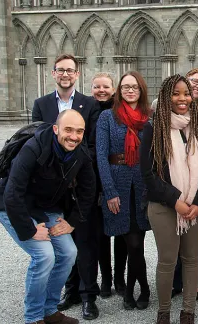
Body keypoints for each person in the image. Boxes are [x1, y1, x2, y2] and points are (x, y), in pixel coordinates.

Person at [0, 109, 96, 324]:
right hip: (11, 205)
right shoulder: (33, 148)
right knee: (44, 256)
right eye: (68, 130)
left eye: (79, 131)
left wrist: (73, 222)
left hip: (44, 207)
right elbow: (12, 194)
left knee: (68, 252)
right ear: (56, 129)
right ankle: (33, 317)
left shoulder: (80, 152)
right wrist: (30, 230)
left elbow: (89, 189)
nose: (74, 136)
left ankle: (49, 311)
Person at [35, 54, 101, 320]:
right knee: (62, 240)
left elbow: (93, 144)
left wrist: (75, 169)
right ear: (53, 74)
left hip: (79, 183)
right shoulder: (41, 104)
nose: (65, 74)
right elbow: (37, 140)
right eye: (60, 70)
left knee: (84, 243)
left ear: (77, 74)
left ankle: (88, 297)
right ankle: (70, 290)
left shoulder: (90, 104)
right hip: (53, 188)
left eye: (70, 71)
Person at [141, 74, 198, 324]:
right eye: (176, 93)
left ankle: (188, 312)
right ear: (165, 96)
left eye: (186, 93)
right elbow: (148, 174)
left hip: (194, 207)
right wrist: (176, 201)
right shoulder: (153, 128)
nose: (182, 98)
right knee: (168, 261)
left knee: (192, 260)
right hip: (164, 207)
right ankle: (164, 312)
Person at [96, 71, 151, 311]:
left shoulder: (149, 118)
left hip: (142, 186)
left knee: (137, 242)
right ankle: (138, 288)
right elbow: (101, 155)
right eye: (125, 87)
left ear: (141, 90)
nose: (130, 90)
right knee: (131, 242)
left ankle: (135, 288)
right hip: (117, 185)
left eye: (134, 87)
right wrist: (109, 191)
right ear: (119, 90)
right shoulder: (107, 117)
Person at [168, 68, 198, 301]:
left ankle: (197, 280)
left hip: (197, 185)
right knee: (174, 237)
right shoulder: (163, 113)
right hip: (176, 188)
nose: (197, 87)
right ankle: (177, 280)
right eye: (193, 82)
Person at [90, 72, 128, 298]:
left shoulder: (119, 111)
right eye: (97, 86)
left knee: (121, 230)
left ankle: (120, 278)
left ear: (113, 89)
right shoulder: (87, 109)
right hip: (93, 177)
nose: (101, 90)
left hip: (117, 175)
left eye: (105, 86)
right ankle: (105, 278)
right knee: (102, 233)